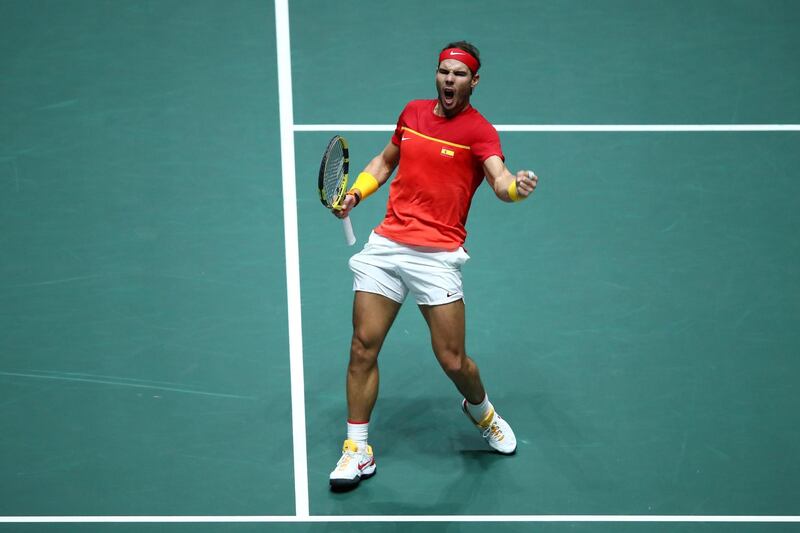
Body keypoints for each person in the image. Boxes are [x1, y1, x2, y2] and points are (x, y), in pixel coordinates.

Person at [328, 41, 538, 490]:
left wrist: (517, 188)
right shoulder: (412, 114)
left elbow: (499, 180)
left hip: (438, 255)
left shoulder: (480, 132)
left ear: (474, 82)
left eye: (459, 75)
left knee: (453, 359)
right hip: (387, 245)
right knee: (362, 347)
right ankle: (357, 448)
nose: (449, 80)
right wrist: (357, 193)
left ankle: (483, 413)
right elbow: (385, 161)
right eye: (444, 72)